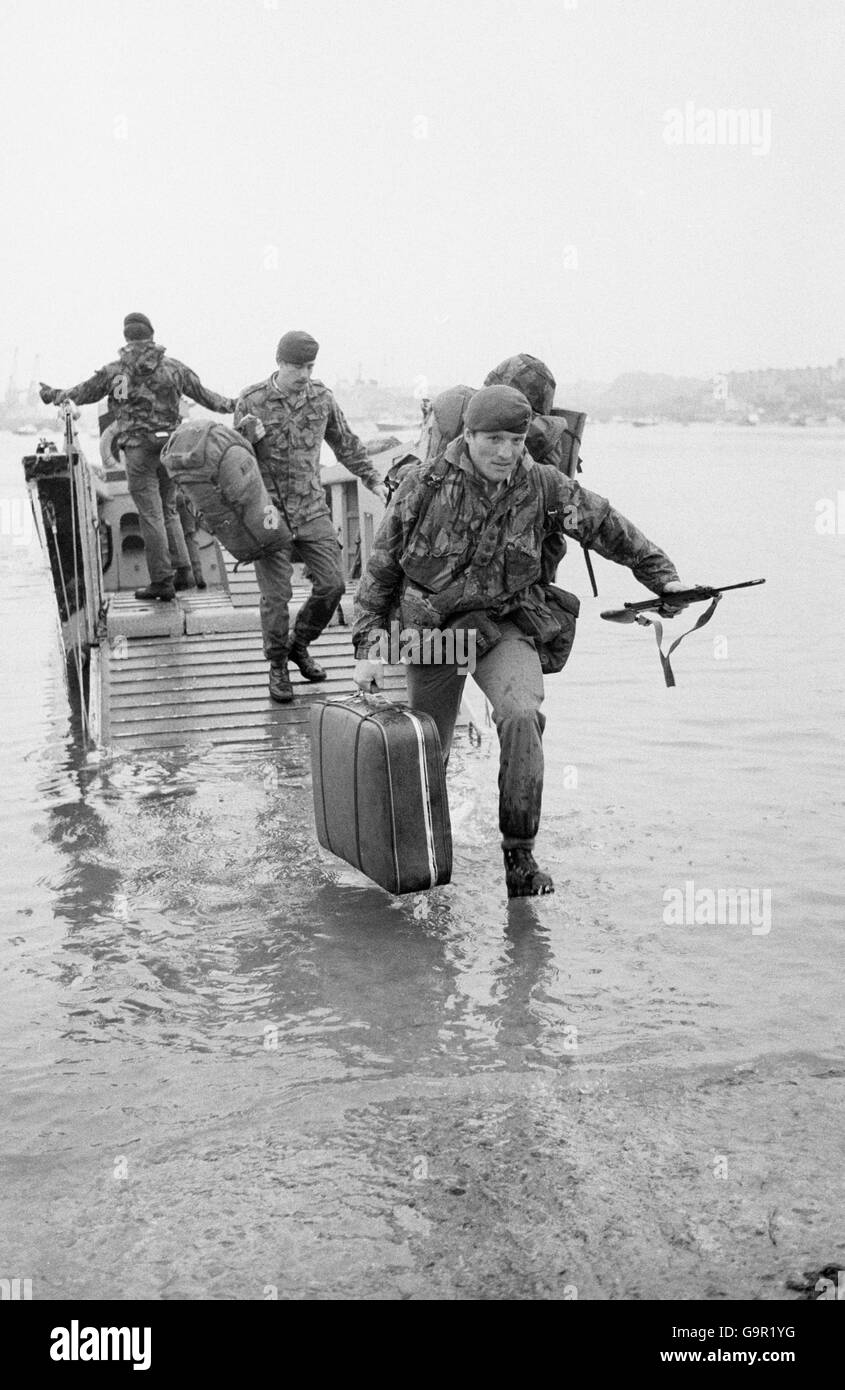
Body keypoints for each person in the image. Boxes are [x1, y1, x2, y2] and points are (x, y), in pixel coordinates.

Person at [352, 385, 690, 899]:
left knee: (520, 713)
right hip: (437, 633)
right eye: (492, 439)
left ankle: (519, 855)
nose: (505, 451)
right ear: (467, 436)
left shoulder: (544, 487)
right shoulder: (424, 486)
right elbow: (381, 567)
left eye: (515, 439)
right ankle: (419, 856)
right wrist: (370, 649)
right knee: (430, 750)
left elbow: (606, 526)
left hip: (503, 623)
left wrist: (663, 579)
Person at [233, 330, 387, 704]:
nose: (303, 373)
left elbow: (346, 443)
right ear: (279, 363)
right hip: (268, 514)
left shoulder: (321, 399)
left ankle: (298, 644)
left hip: (312, 508)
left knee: (333, 585)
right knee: (275, 597)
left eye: (309, 366)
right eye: (296, 366)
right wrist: (245, 435)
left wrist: (372, 478)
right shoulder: (251, 401)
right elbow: (234, 459)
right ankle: (277, 667)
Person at [39, 313, 235, 601]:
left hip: (138, 449)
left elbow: (82, 393)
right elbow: (208, 397)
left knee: (151, 513)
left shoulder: (117, 372)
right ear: (152, 335)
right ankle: (184, 571)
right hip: (170, 446)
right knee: (168, 509)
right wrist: (237, 404)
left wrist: (53, 395)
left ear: (126, 337)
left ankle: (162, 581)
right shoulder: (174, 369)